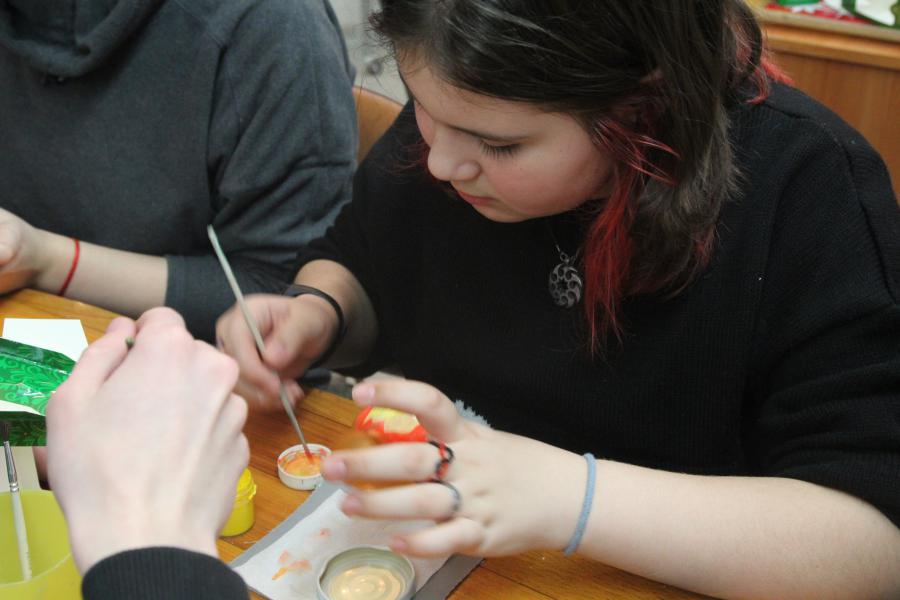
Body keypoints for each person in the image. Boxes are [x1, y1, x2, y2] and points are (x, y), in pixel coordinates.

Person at [214, 1, 900, 598]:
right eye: (421, 105)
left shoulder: (808, 186)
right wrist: (320, 312)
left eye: (500, 145)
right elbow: (361, 258)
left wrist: (574, 500)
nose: (442, 163)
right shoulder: (459, 117)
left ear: (641, 107)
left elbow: (874, 546)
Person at [0, 0, 357, 343]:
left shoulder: (273, 26)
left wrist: (46, 260)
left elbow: (283, 305)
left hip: (206, 368)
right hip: (34, 338)